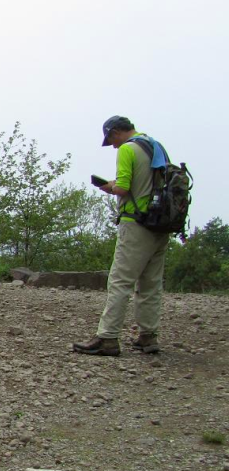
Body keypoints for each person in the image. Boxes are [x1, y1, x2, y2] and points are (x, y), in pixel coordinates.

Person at [73, 116, 170, 356]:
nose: (113, 145)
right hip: (160, 224)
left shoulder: (128, 149)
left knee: (120, 281)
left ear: (117, 131)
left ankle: (107, 338)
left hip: (135, 222)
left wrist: (109, 186)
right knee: (151, 283)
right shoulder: (155, 147)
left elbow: (124, 188)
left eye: (111, 139)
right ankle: (148, 336)